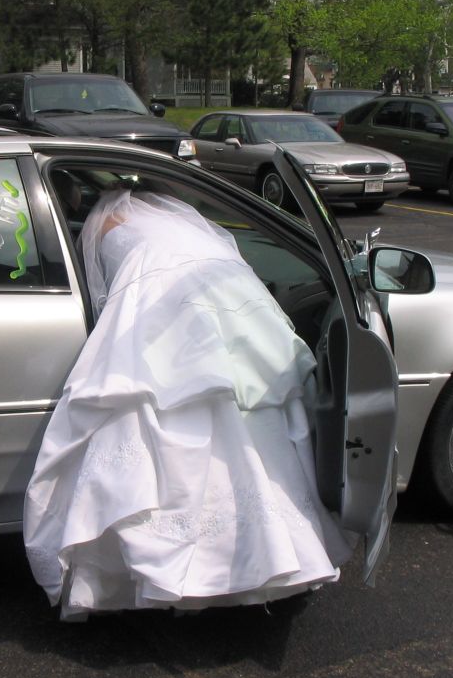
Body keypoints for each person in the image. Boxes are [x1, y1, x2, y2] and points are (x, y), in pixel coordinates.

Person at [23, 187, 355, 619]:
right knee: (248, 412)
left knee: (165, 413)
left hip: (163, 308)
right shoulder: (179, 221)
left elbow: (105, 294)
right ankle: (264, 558)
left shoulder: (102, 228)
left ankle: (178, 569)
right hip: (226, 296)